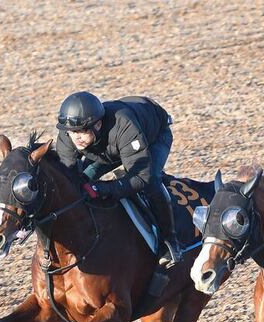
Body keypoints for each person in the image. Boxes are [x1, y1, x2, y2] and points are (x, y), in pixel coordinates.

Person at [55, 91, 182, 267]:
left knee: (151, 180)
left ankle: (171, 243)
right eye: (71, 132)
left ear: (98, 125)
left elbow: (140, 176)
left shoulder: (124, 125)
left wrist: (103, 189)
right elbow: (66, 179)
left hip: (153, 136)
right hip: (106, 148)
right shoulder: (68, 136)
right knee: (79, 181)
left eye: (82, 131)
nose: (76, 137)